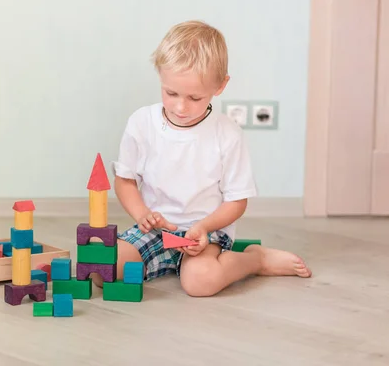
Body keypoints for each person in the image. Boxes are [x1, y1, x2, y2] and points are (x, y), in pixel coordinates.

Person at [99, 20, 312, 297]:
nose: (180, 106)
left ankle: (255, 259)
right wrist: (142, 215)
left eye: (194, 97)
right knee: (102, 271)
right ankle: (168, 262)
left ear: (220, 86)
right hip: (155, 231)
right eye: (171, 92)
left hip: (205, 230)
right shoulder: (142, 123)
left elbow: (236, 201)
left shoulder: (226, 134)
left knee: (200, 283)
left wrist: (204, 227)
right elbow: (125, 181)